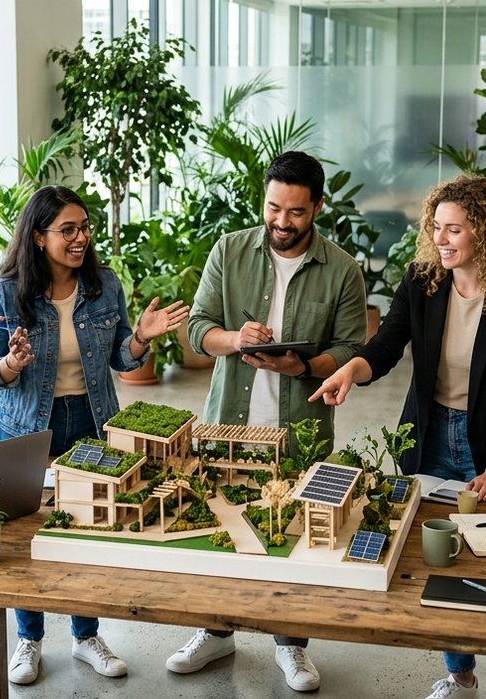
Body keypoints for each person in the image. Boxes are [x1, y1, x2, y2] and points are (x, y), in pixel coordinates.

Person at [308, 175, 486, 699]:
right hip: (431, 432)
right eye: (435, 227)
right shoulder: (423, 280)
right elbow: (388, 345)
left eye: (453, 229)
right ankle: (459, 673)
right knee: (439, 553)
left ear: (484, 231)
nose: (440, 239)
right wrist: (352, 371)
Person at [168, 150, 366, 693]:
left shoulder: (343, 269)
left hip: (300, 427)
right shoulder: (229, 251)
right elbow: (198, 328)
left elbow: (350, 347)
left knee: (293, 539)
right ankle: (215, 631)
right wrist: (235, 340)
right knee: (221, 528)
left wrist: (301, 365)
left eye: (296, 212)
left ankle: (292, 646)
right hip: (227, 421)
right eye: (273, 207)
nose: (282, 222)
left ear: (318, 207)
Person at [0, 184, 188, 686]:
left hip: (92, 420)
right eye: (67, 229)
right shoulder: (5, 293)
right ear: (37, 237)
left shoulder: (103, 285)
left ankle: (85, 634)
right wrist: (10, 363)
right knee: (28, 533)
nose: (80, 238)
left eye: (84, 227)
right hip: (28, 425)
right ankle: (29, 639)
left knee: (87, 525)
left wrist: (142, 337)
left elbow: (121, 356)